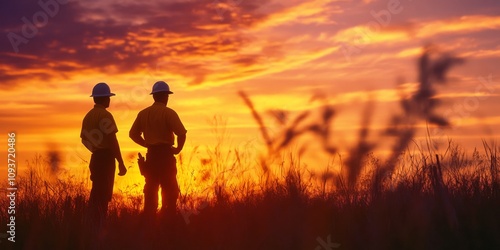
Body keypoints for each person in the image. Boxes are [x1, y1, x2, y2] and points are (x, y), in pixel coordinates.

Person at [129, 81, 187, 218]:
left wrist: (147, 144)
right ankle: (168, 220)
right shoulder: (169, 113)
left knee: (150, 190)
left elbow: (132, 134)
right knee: (170, 191)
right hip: (166, 156)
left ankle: (149, 221)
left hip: (152, 157)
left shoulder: (143, 114)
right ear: (166, 96)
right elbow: (182, 134)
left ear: (154, 96)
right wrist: (178, 149)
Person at [81, 82, 127, 225]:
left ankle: (91, 224)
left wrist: (95, 149)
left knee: (96, 192)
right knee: (103, 194)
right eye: (109, 97)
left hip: (95, 158)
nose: (110, 100)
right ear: (106, 98)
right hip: (106, 158)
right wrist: (120, 162)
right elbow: (113, 140)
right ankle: (99, 225)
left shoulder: (88, 116)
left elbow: (84, 140)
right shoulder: (105, 115)